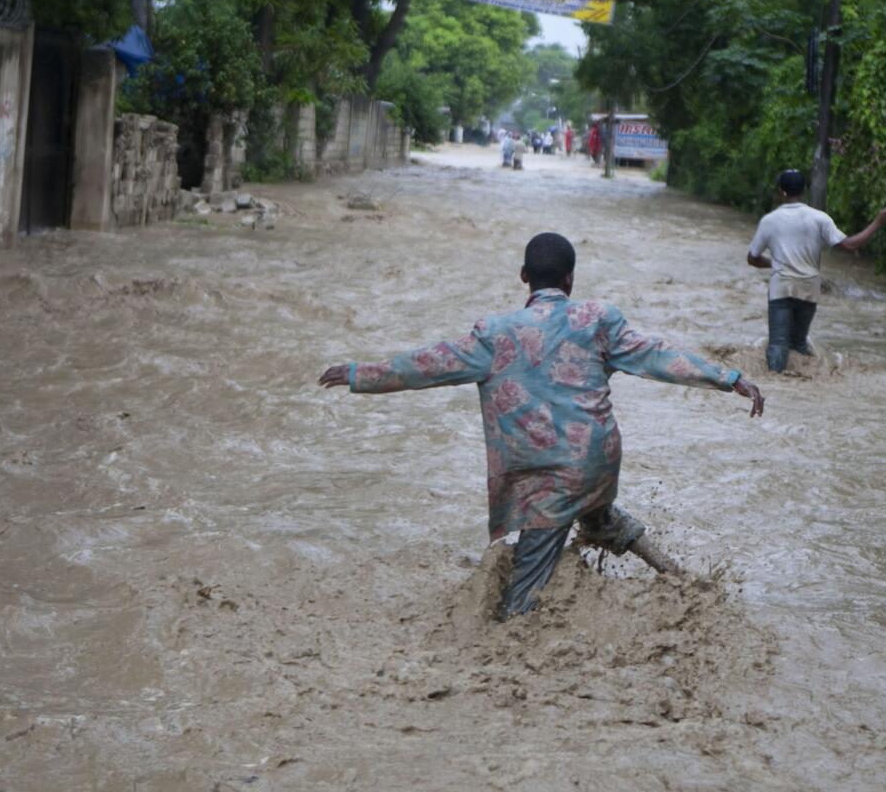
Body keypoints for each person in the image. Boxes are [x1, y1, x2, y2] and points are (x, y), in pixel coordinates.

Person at [319, 233, 764, 620]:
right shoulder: (598, 320)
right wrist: (730, 378)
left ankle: (521, 630)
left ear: (522, 276)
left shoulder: (494, 334)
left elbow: (425, 366)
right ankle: (679, 579)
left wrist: (360, 374)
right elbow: (660, 356)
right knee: (596, 510)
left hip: (546, 476)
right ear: (570, 280)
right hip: (597, 461)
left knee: (520, 605)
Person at [746, 169, 886, 372]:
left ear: (781, 192)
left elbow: (752, 258)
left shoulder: (769, 221)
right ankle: (804, 380)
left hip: (781, 288)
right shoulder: (820, 218)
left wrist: (775, 263)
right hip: (809, 290)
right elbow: (850, 245)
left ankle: (776, 386)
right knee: (799, 344)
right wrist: (878, 221)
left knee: (778, 344)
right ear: (804, 191)